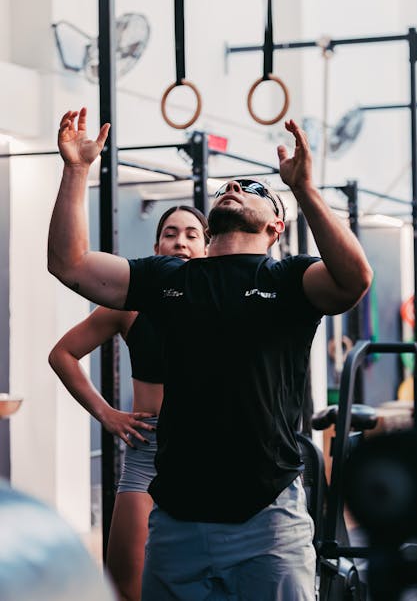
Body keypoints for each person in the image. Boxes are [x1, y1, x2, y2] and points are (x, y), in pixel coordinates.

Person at [48, 107, 373, 600]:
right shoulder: (169, 280)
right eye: (228, 187)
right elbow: (69, 265)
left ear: (276, 227)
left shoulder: (286, 280)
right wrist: (76, 170)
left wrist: (306, 190)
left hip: (267, 520)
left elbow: (354, 280)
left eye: (255, 190)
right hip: (178, 522)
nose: (236, 189)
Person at [48, 204, 209, 601]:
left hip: (207, 452)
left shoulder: (222, 304)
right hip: (147, 451)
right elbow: (62, 354)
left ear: (208, 248)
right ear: (156, 246)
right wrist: (107, 415)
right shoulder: (130, 307)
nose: (181, 242)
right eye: (171, 233)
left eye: (192, 234)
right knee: (124, 584)